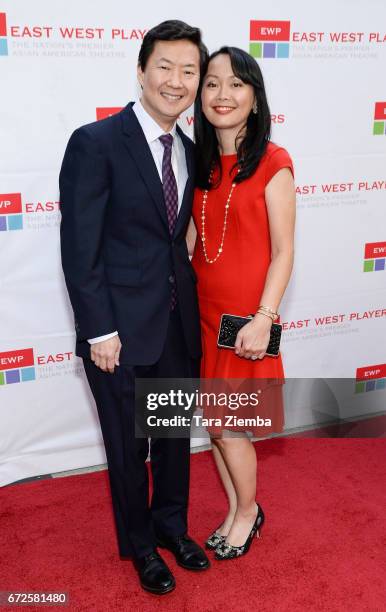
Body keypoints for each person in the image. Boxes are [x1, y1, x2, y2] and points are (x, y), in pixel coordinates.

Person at [59, 20, 210, 595]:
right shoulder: (95, 142)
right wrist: (99, 329)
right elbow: (80, 249)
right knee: (129, 445)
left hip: (175, 320)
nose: (177, 81)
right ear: (142, 71)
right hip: (117, 332)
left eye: (189, 71)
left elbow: (177, 239)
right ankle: (141, 546)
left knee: (172, 435)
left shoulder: (190, 152)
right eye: (165, 67)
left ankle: (172, 525)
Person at [187, 46, 296, 560]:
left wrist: (264, 318)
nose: (222, 94)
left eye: (236, 84)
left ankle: (249, 514)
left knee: (231, 427)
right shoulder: (202, 163)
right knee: (217, 425)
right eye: (211, 83)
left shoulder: (274, 162)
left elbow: (284, 251)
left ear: (254, 97)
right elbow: (193, 240)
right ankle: (235, 510)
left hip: (244, 320)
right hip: (204, 316)